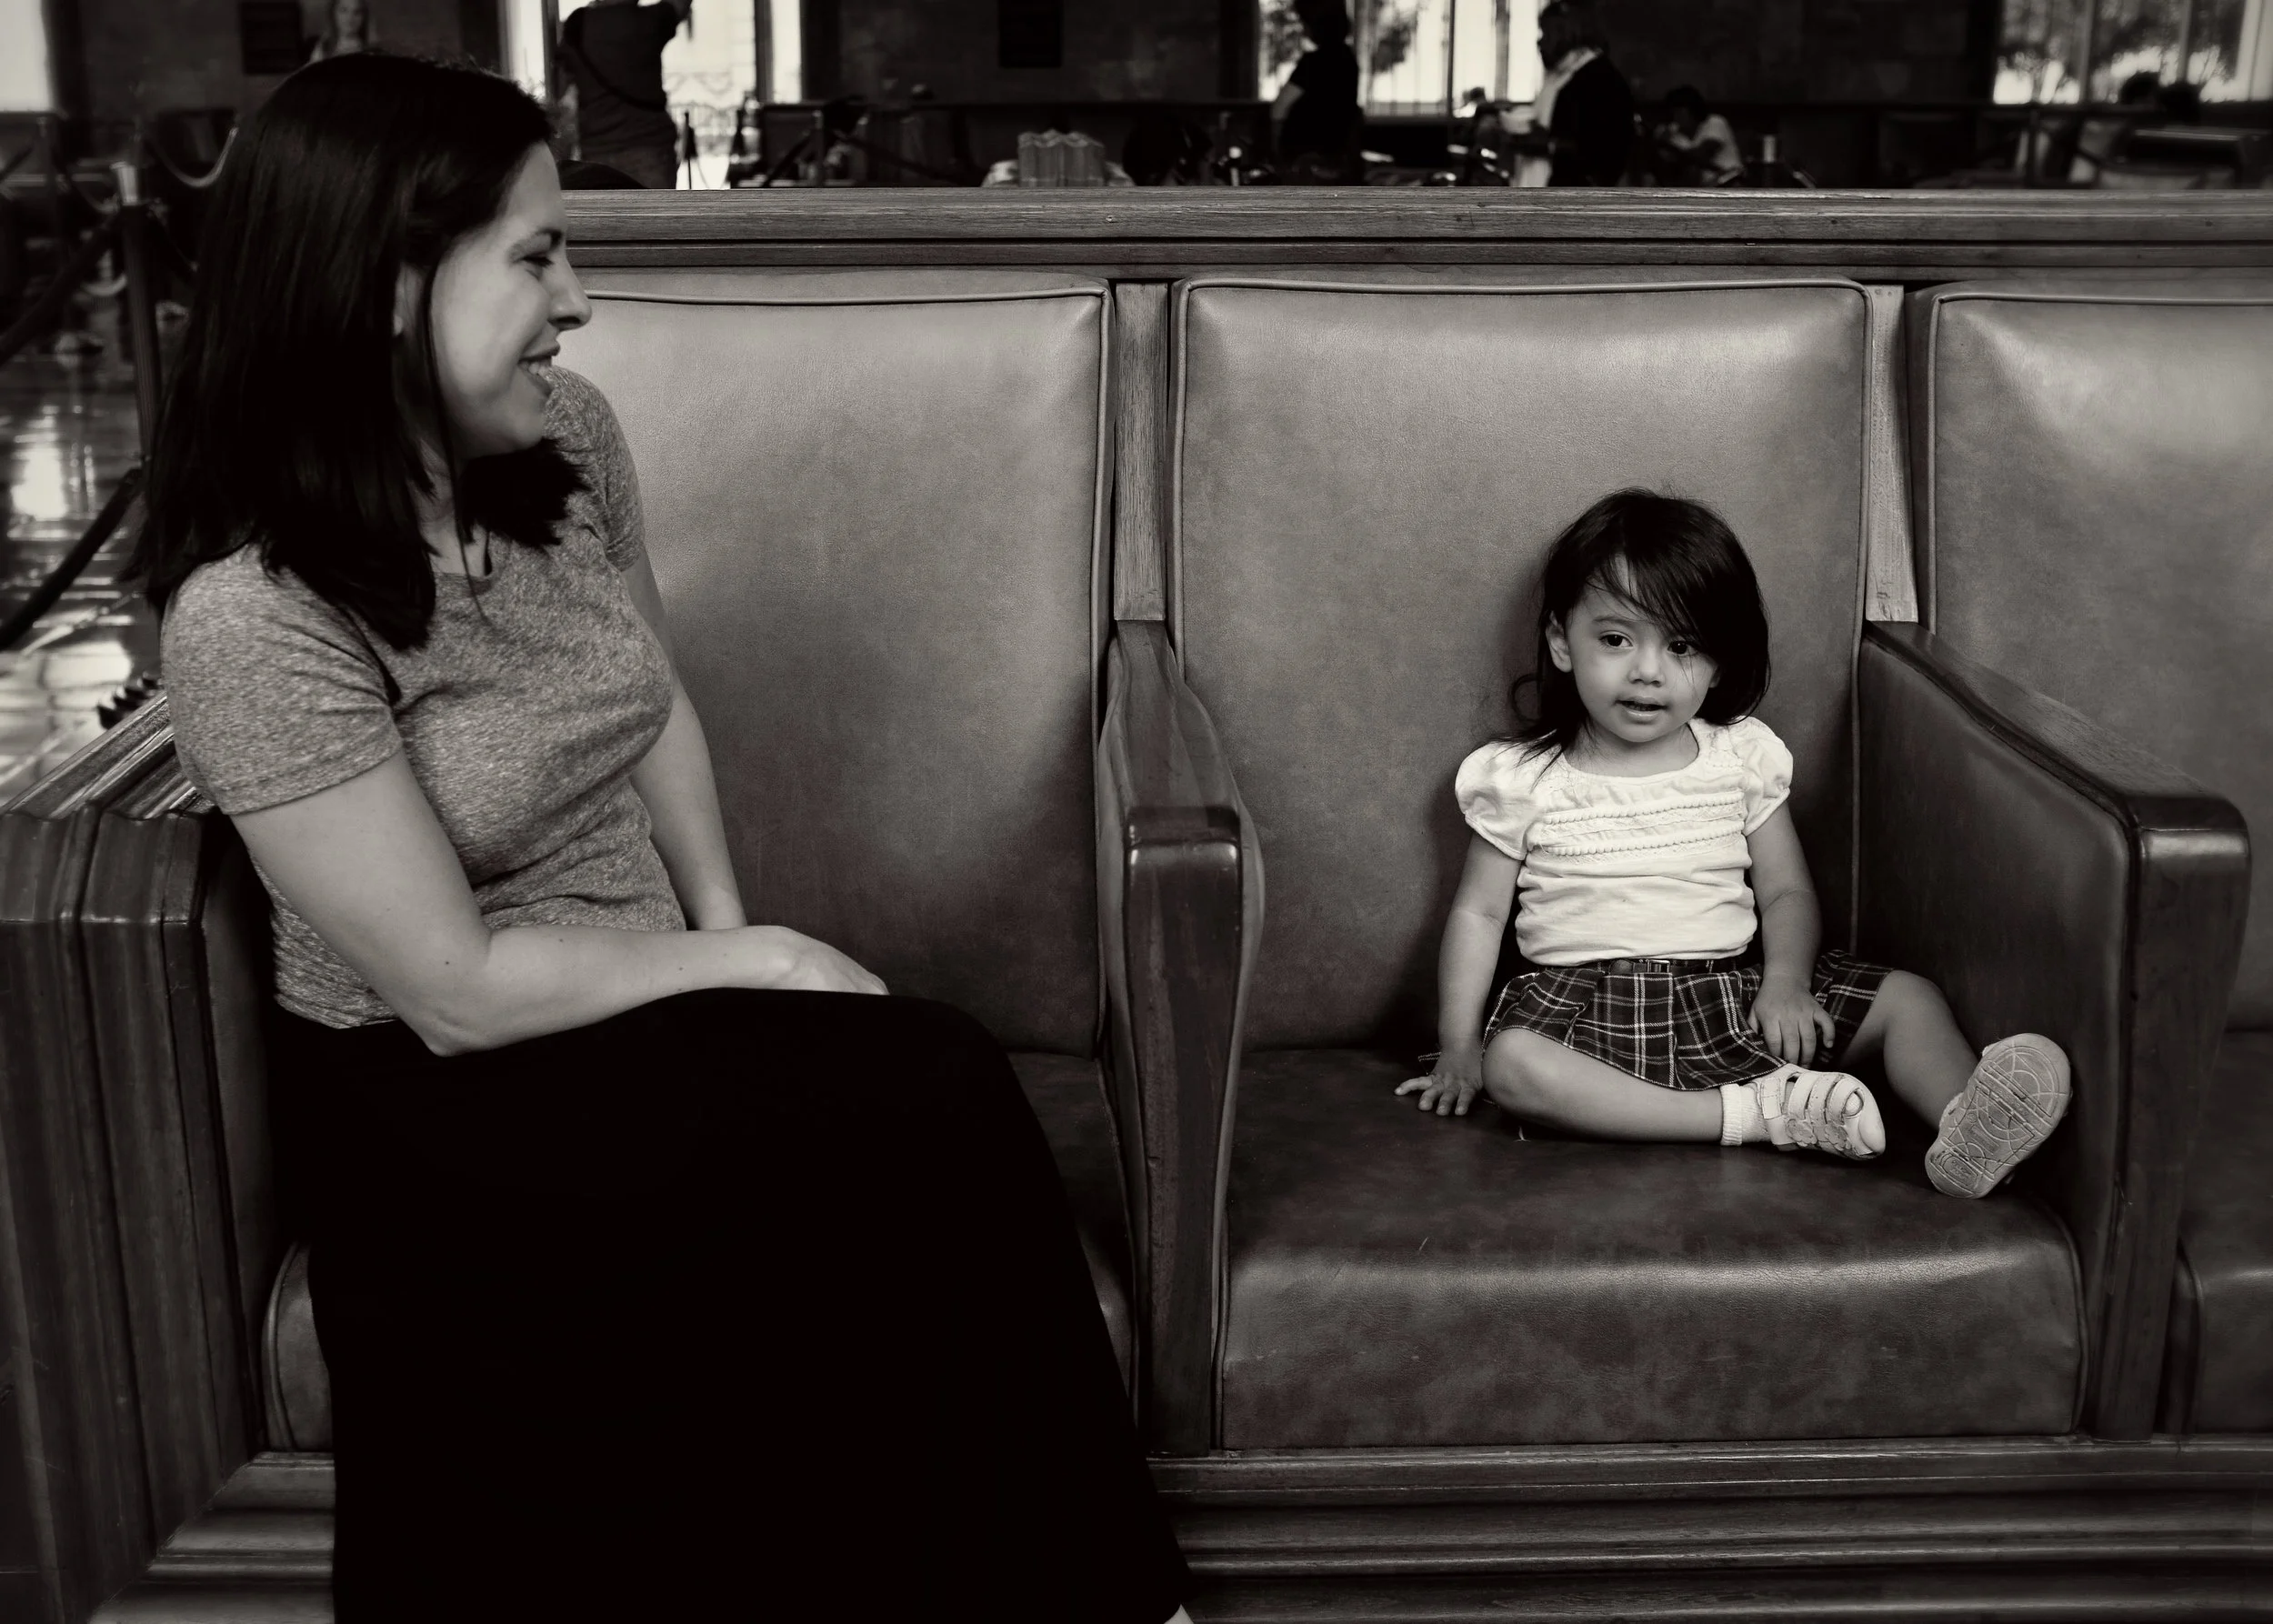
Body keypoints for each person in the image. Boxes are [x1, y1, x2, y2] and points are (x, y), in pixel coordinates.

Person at [130, 55, 1195, 1622]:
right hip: (443, 1089)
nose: (576, 299)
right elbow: (454, 992)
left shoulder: (569, 443)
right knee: (933, 1087)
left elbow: (660, 703)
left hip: (637, 993)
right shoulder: (253, 616)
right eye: (537, 253)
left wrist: (719, 932)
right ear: (386, 285)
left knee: (907, 1107)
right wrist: (752, 964)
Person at [1396, 491, 2072, 1198]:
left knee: (1910, 999)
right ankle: (1750, 1114)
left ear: (1717, 664)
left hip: (1731, 994)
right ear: (1563, 641)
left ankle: (1969, 1129)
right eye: (1616, 639)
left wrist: (1784, 982)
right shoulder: (1521, 778)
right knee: (1514, 1065)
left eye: (1681, 645)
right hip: (1585, 1015)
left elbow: (1786, 890)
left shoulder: (1739, 757)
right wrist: (1459, 1046)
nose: (1648, 671)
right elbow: (1478, 916)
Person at [559, 0, 689, 188]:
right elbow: (681, 5)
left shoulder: (577, 24)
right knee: (652, 216)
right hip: (650, 150)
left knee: (604, 217)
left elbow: (564, 86)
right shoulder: (650, 20)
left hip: (596, 152)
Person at [1522, 0, 1635, 185]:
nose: (1539, 41)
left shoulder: (1599, 79)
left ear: (1567, 33)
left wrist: (1547, 145)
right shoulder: (1562, 75)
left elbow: (1601, 148)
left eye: (1546, 33)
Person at [1273, 0, 1363, 182]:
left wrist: (1275, 152)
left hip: (1307, 159)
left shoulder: (1313, 63)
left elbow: (1278, 111)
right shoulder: (1349, 61)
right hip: (1336, 155)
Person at [1656, 85, 1743, 185]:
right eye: (1674, 112)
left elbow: (1703, 154)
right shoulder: (1672, 133)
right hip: (1701, 189)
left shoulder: (1715, 122)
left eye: (1680, 111)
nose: (1677, 116)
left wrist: (1670, 147)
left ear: (1694, 110)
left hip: (1730, 183)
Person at [305, 0, 375, 61]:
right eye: (344, 10)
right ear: (333, 13)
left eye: (357, 12)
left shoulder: (369, 51)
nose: (350, 17)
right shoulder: (324, 47)